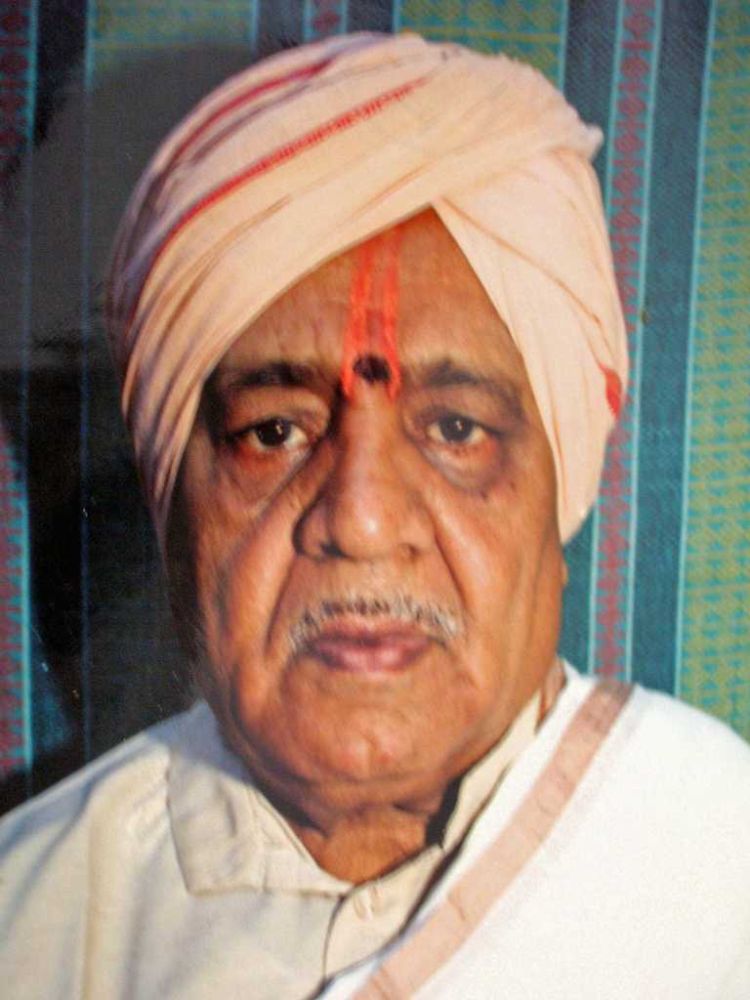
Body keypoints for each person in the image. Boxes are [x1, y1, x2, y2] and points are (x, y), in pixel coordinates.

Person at [1, 32, 749, 999]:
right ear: (174, 516)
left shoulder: (716, 863)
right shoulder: (33, 921)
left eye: (455, 430)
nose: (359, 522)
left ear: (558, 498)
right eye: (274, 432)